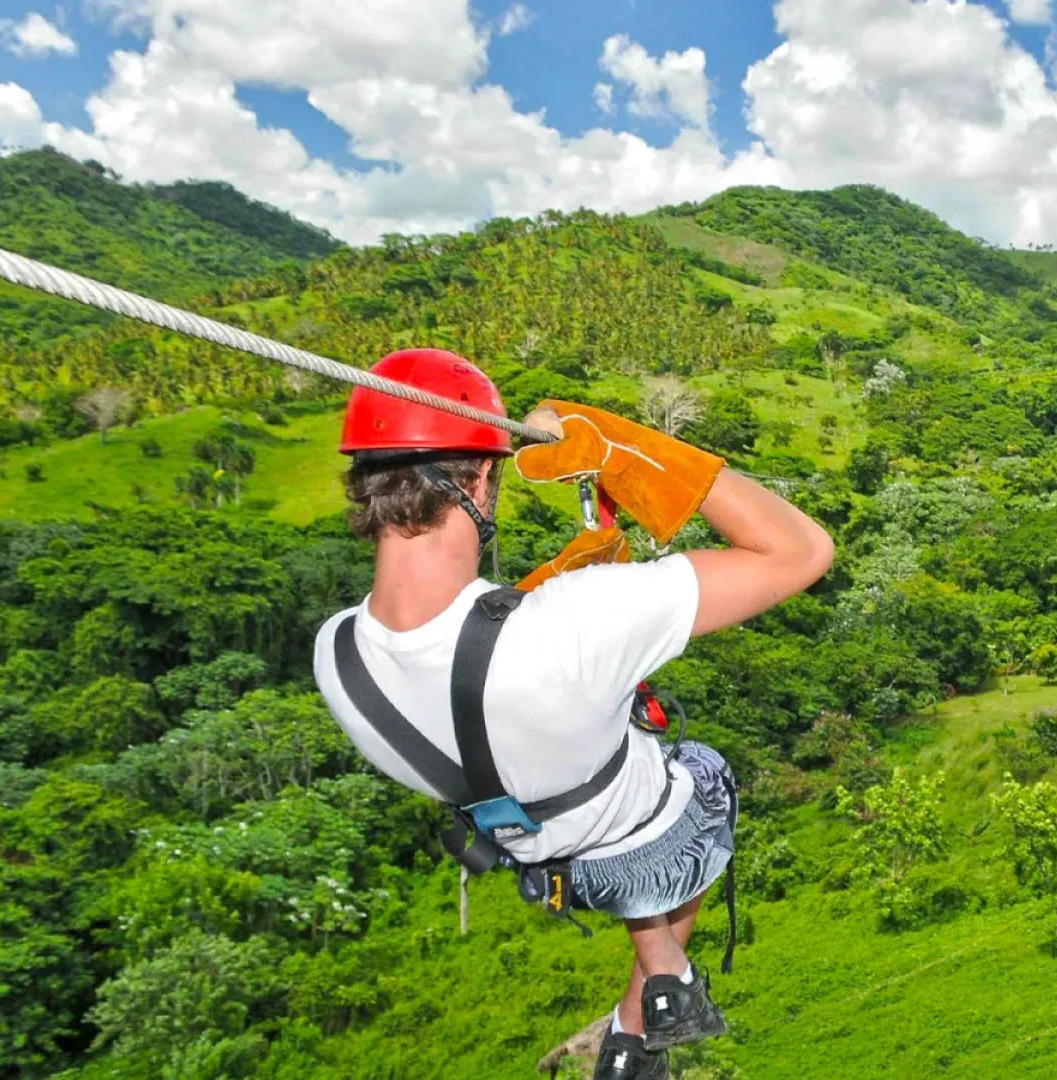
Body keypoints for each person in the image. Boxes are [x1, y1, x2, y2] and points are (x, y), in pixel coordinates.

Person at [311, 349, 834, 1079]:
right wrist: (621, 449)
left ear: (362, 483)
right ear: (483, 478)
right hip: (631, 848)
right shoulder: (580, 623)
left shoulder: (334, 654)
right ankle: (648, 998)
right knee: (706, 771)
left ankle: (648, 998)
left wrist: (556, 597)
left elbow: (470, 662)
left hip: (535, 859)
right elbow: (802, 549)